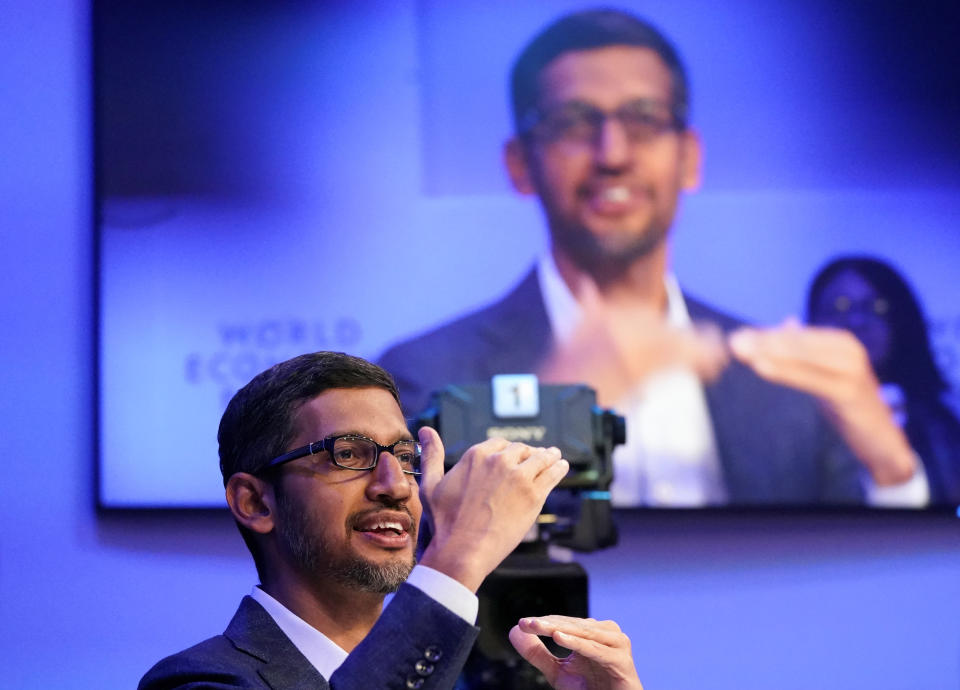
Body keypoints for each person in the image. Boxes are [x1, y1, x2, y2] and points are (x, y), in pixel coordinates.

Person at [378, 8, 922, 507]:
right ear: (520, 164)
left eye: (643, 120)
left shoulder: (784, 385)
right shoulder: (424, 376)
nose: (612, 154)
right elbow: (411, 577)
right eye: (572, 123)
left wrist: (893, 469)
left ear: (689, 158)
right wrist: (554, 405)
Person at [139, 351, 644, 689]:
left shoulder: (450, 671)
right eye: (348, 454)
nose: (397, 485)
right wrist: (459, 555)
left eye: (406, 457)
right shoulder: (200, 681)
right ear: (256, 502)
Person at [803, 255, 960, 503]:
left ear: (901, 322)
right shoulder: (788, 418)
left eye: (876, 308)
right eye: (840, 307)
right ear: (813, 321)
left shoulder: (942, 425)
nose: (856, 322)